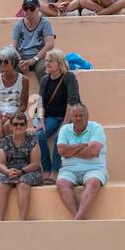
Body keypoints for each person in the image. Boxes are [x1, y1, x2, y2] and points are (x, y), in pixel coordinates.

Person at [55, 102, 107, 220]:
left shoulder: (96, 128)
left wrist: (70, 151)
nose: (78, 118)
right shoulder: (65, 129)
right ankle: (78, 217)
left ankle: (78, 218)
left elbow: (92, 152)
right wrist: (83, 145)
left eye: (81, 115)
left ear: (87, 116)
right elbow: (61, 151)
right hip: (69, 169)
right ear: (71, 118)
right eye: (75, 116)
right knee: (61, 183)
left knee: (93, 183)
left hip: (93, 169)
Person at [36, 49, 79, 181]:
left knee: (58, 138)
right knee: (39, 136)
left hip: (69, 116)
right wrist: (41, 122)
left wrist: (65, 124)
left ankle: (55, 171)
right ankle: (46, 169)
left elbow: (71, 102)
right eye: (46, 61)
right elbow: (40, 102)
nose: (47, 64)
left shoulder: (69, 77)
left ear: (59, 63)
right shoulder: (44, 80)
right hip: (52, 117)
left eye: (51, 61)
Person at [0, 111, 43, 221]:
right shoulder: (5, 141)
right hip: (9, 171)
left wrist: (22, 171)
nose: (18, 126)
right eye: (15, 124)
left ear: (26, 126)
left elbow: (35, 163)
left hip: (29, 171)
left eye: (21, 124)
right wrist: (7, 172)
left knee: (23, 183)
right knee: (0, 186)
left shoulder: (32, 140)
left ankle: (22, 220)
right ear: (11, 126)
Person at [0, 47, 31, 142]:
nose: (2, 64)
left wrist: (13, 116)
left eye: (6, 62)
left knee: (8, 127)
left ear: (13, 63)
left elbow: (23, 105)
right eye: (0, 62)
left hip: (17, 112)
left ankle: (9, 156)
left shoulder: (24, 80)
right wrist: (2, 115)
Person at [12, 0, 56, 81]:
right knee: (11, 70)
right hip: (22, 57)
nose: (28, 11)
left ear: (38, 9)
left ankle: (46, 93)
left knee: (43, 69)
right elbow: (13, 46)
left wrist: (34, 59)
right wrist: (20, 61)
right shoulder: (18, 25)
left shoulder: (45, 23)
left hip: (40, 57)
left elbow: (50, 45)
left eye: (32, 8)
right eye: (25, 8)